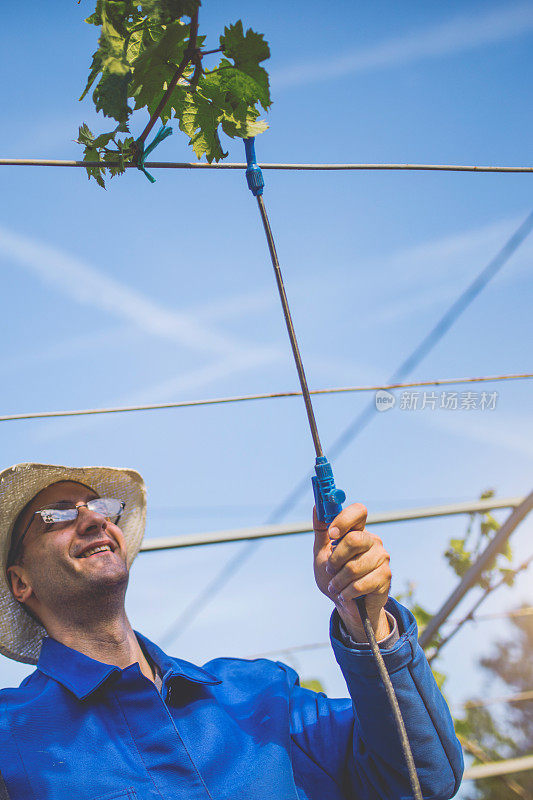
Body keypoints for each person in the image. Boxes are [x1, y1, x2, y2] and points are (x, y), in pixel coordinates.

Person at [0, 462, 463, 800]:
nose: (94, 519)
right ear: (21, 581)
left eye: (101, 507)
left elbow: (422, 779)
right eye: (58, 514)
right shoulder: (10, 735)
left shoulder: (263, 696)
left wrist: (368, 624)